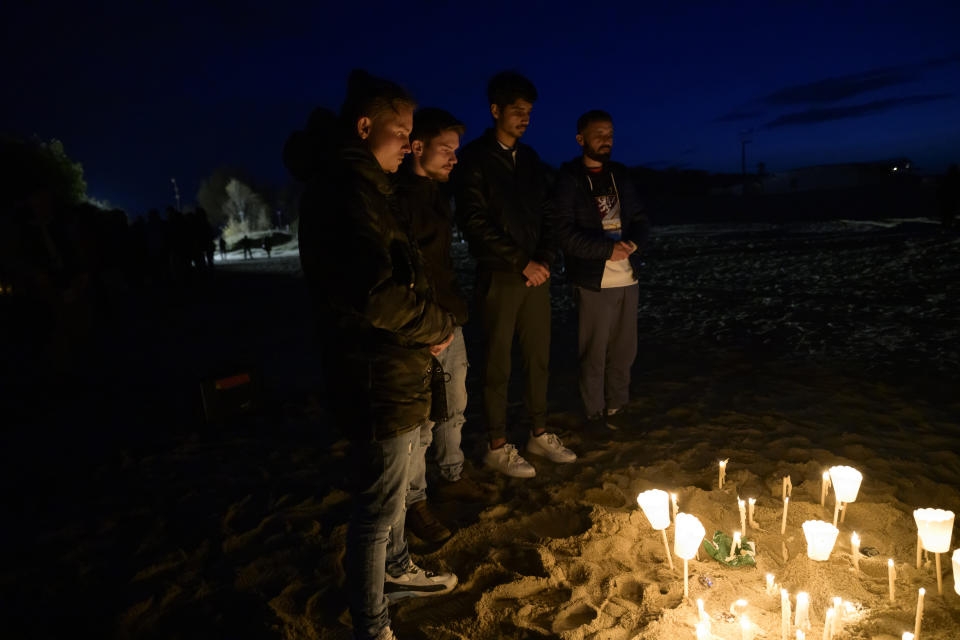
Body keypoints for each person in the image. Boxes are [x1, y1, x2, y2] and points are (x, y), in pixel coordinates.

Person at [296, 71, 457, 640]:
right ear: (365, 127)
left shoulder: (368, 186)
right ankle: (372, 623)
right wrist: (435, 325)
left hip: (397, 365)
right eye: (401, 131)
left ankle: (396, 571)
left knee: (391, 495)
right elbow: (374, 295)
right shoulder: (345, 192)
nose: (410, 144)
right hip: (373, 370)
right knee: (378, 506)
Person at [453, 71, 576, 478]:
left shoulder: (531, 161)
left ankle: (538, 433)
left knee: (539, 358)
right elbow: (474, 221)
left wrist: (542, 259)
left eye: (529, 111)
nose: (525, 118)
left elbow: (547, 215)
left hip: (535, 277)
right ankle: (496, 444)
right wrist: (520, 261)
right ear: (495, 111)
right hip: (500, 276)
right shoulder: (473, 160)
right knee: (497, 363)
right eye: (517, 110)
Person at [396, 108, 487, 544]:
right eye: (446, 149)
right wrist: (427, 325)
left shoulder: (436, 193)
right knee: (420, 422)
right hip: (423, 326)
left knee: (455, 403)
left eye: (457, 149)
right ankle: (415, 502)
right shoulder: (400, 198)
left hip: (450, 316)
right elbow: (410, 270)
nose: (455, 158)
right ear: (417, 146)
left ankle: (452, 473)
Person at [552, 110, 650, 427]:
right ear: (581, 139)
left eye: (610, 134)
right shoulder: (569, 179)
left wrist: (633, 244)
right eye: (599, 134)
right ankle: (594, 411)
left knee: (625, 349)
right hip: (593, 280)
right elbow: (564, 233)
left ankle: (617, 406)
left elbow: (640, 219)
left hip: (628, 278)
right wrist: (607, 249)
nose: (606, 140)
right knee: (593, 351)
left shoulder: (619, 174)